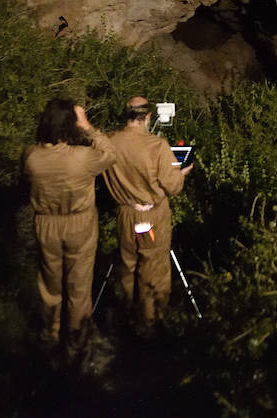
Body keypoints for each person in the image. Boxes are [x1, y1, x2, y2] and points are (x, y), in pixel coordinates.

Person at [23, 98, 114, 356]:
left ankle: (50, 334)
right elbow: (110, 154)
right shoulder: (83, 158)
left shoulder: (32, 157)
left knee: (50, 286)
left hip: (46, 223)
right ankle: (77, 341)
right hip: (80, 224)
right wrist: (89, 128)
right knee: (79, 287)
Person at [100, 95, 194, 334]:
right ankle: (151, 324)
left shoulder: (110, 142)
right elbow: (173, 186)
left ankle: (128, 316)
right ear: (148, 116)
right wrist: (181, 173)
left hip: (125, 216)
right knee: (153, 267)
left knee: (128, 265)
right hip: (151, 218)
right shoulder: (157, 146)